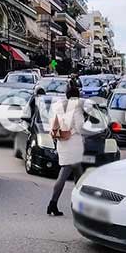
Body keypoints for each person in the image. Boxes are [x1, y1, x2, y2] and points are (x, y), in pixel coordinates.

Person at [47, 81, 85, 217]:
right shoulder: (76, 108)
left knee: (77, 174)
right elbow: (80, 126)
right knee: (67, 175)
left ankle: (77, 205)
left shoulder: (58, 107)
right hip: (73, 145)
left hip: (62, 143)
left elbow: (53, 124)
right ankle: (54, 203)